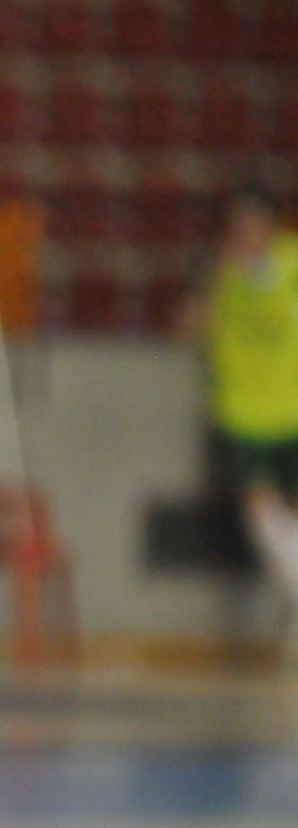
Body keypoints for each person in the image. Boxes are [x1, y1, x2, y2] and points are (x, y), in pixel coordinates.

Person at [202, 183, 298, 664]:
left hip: (292, 409)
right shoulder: (223, 270)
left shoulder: (292, 262)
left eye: (252, 221)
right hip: (242, 412)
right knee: (261, 516)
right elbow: (201, 323)